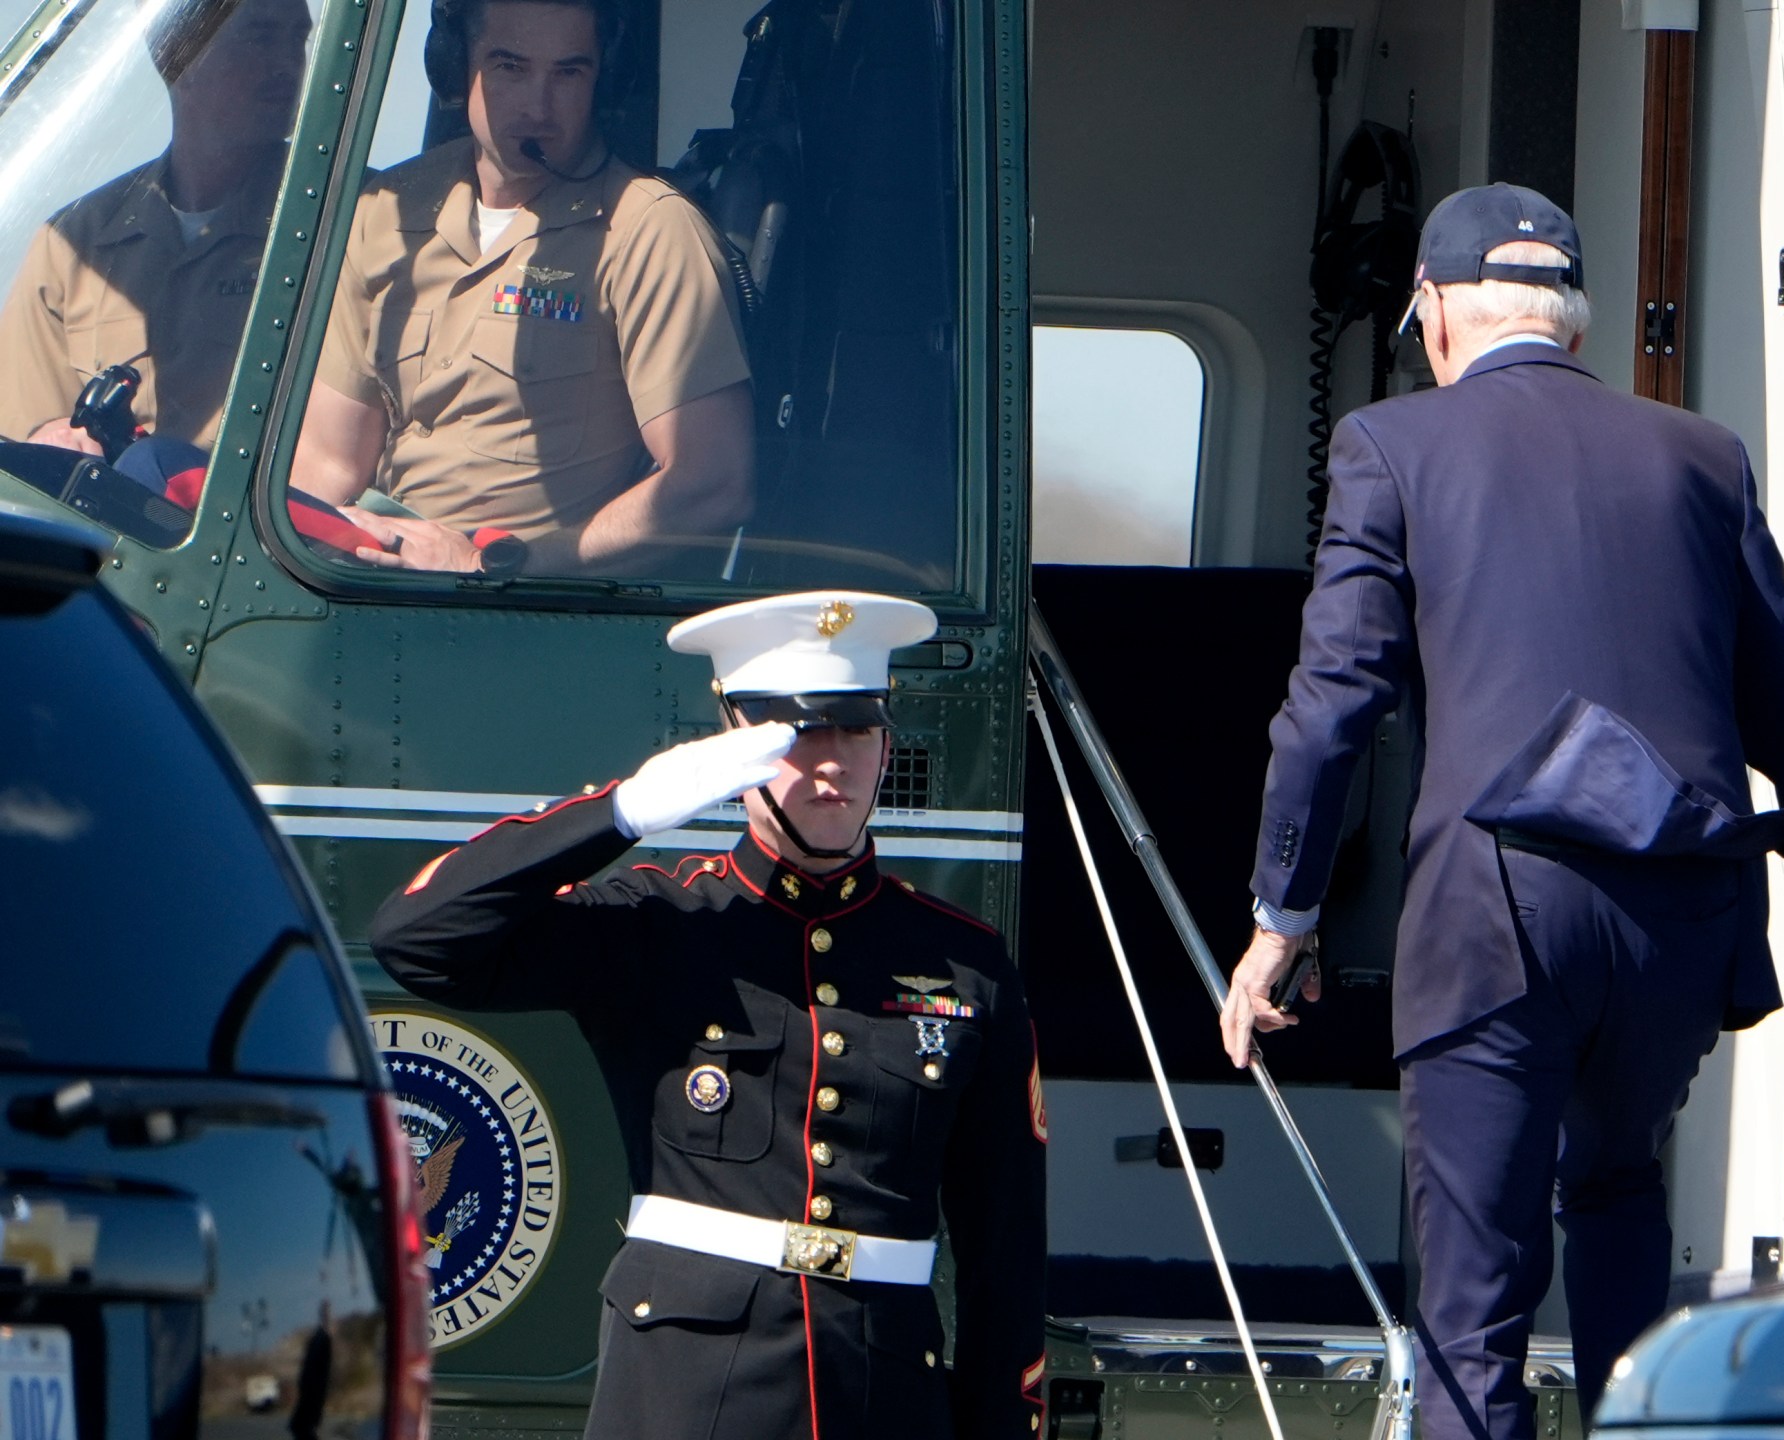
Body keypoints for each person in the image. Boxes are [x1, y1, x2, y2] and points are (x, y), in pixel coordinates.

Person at [1218, 184, 1784, 1439]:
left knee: (1473, 1305)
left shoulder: (1392, 445)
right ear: (1576, 324)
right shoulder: (1703, 458)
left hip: (1497, 915)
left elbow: (1334, 705)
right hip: (1675, 921)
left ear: (1433, 313)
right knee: (1616, 1199)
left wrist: (1283, 914)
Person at [370, 591, 1048, 1440]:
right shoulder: (662, 922)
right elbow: (418, 938)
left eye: (857, 729)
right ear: (738, 739)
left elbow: (1004, 1249)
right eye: (799, 733)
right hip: (686, 1390)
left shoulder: (965, 963)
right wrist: (616, 814)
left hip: (882, 1391)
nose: (832, 763)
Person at [293, 0, 753, 577]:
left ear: (602, 80)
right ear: (457, 68)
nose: (540, 107)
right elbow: (329, 461)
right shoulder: (387, 212)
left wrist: (493, 565)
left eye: (568, 72)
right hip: (368, 579)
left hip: (524, 606)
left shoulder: (648, 231)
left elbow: (712, 482)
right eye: (510, 67)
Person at [0, 0, 312, 455]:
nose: (287, 65)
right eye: (260, 38)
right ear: (177, 53)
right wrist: (56, 439)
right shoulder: (73, 246)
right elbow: (25, 450)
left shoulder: (339, 224)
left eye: (298, 41)